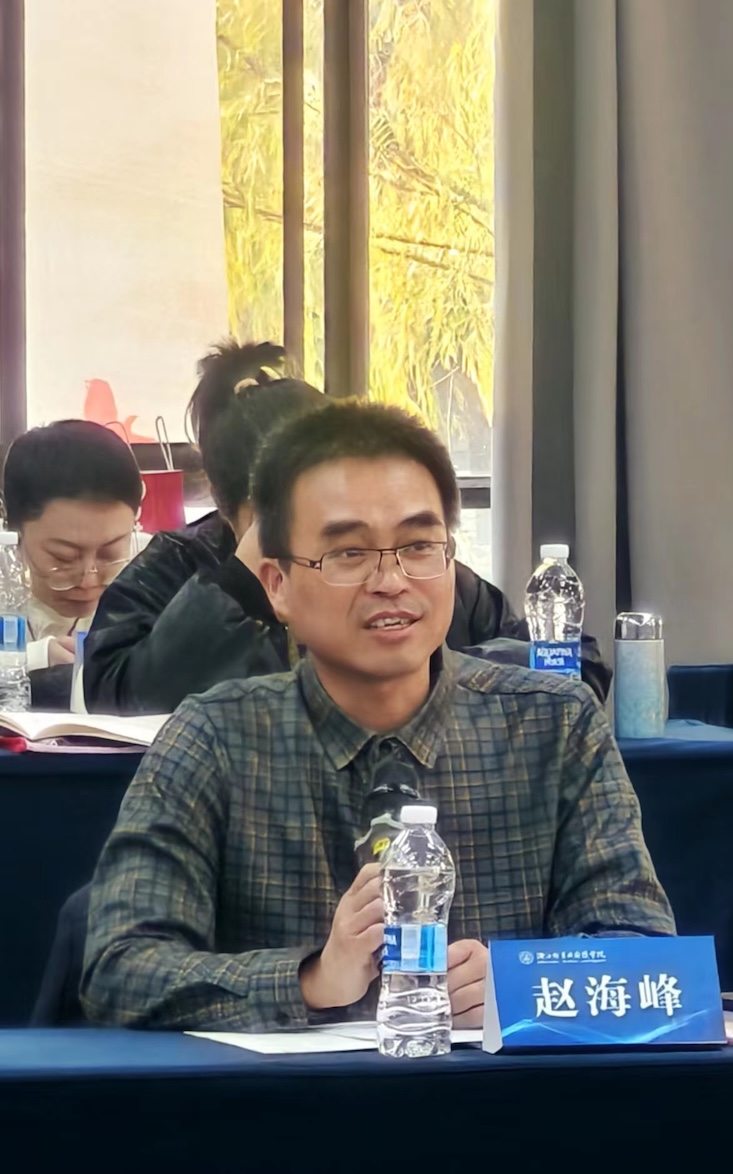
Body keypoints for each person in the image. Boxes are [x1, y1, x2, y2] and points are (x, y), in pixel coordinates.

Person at [81, 400, 674, 1031]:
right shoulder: (213, 739)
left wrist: (519, 983)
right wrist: (310, 980)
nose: (391, 580)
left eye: (418, 546)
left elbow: (644, 953)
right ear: (277, 585)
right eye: (349, 553)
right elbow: (120, 971)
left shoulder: (555, 724)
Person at [83, 340, 611, 715]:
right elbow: (116, 699)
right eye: (277, 513)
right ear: (228, 511)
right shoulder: (177, 569)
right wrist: (237, 584)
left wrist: (417, 672)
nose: (379, 572)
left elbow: (573, 664)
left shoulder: (416, 569)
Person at [2, 420, 145, 707]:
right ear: (12, 524)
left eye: (109, 553)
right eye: (63, 557)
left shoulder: (160, 567)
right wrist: (35, 657)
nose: (88, 580)